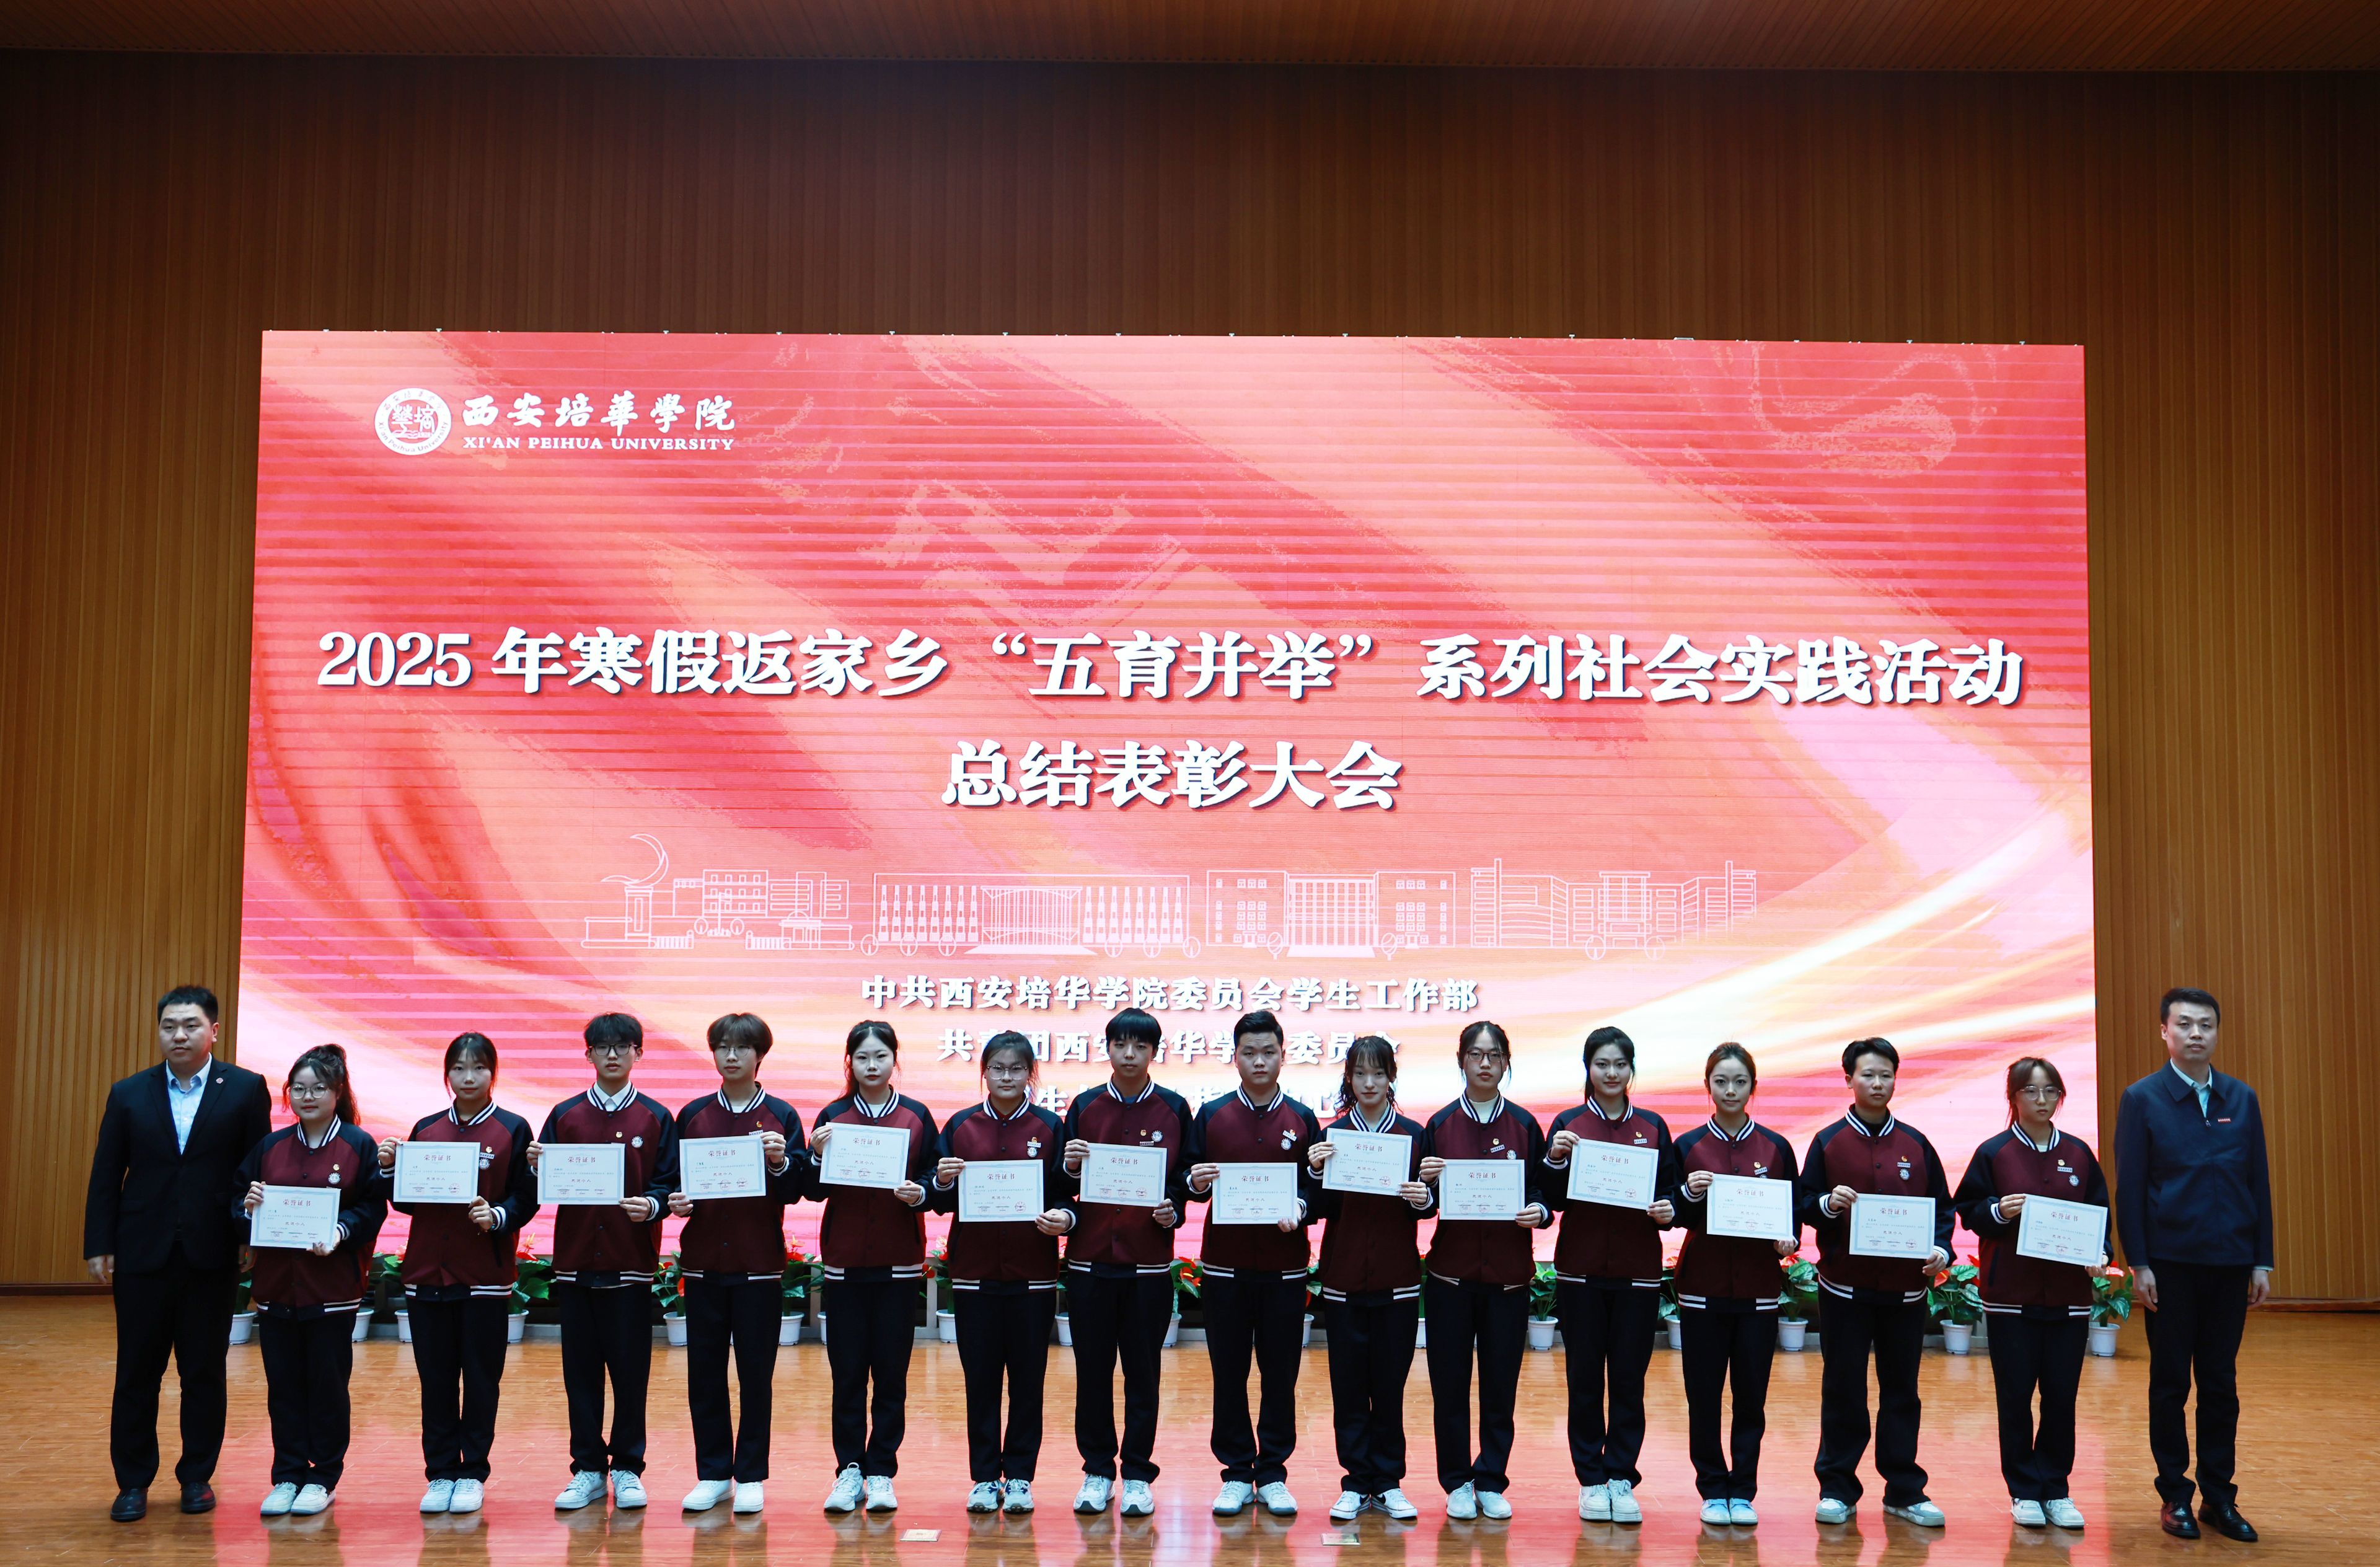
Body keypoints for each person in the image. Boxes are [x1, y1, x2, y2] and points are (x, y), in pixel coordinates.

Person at [84, 984, 273, 1522]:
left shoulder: (245, 1089)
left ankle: (196, 1477)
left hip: (212, 1252)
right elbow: (106, 1173)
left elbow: (256, 1169)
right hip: (141, 1252)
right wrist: (99, 1243)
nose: (179, 1035)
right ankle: (133, 1482)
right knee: (136, 1373)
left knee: (204, 1372)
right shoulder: (129, 1093)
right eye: (169, 1026)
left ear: (213, 1030)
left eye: (190, 1025)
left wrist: (251, 1234)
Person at [2114, 987, 2273, 1543]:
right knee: (2169, 1384)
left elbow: (2258, 1183)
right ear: (2165, 1031)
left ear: (2216, 1032)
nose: (2196, 1033)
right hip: (2171, 1266)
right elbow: (2130, 1189)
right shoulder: (2142, 1099)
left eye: (2206, 1024)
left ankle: (2219, 1497)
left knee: (2221, 1384)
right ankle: (2175, 1495)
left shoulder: (2241, 1098)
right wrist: (2139, 1263)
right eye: (2184, 1024)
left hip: (2230, 1263)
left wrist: (2261, 1260)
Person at [376, 1031, 537, 1516]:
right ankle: (441, 1471)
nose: (468, 1078)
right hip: (428, 1273)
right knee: (437, 1380)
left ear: (493, 1073)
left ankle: (472, 1473)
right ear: (447, 1074)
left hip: (483, 1274)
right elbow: (406, 1201)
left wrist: (498, 1217)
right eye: (459, 1068)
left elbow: (526, 1197)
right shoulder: (426, 1129)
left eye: (479, 1068)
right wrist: (390, 1168)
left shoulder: (513, 1129)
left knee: (482, 1379)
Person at [1795, 1036, 1953, 1528]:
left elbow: (1942, 1209)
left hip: (1905, 1293)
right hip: (1845, 1290)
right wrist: (1827, 1205)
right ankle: (1837, 1487)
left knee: (1902, 1391)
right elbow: (1804, 1204)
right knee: (1844, 1389)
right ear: (1849, 1079)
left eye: (1886, 1075)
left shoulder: (1916, 1144)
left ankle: (1904, 1490)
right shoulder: (1828, 1141)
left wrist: (1940, 1250)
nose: (1878, 1083)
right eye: (1868, 1074)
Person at [533, 1012, 679, 1513]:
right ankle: (588, 1469)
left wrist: (653, 1206)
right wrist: (535, 1166)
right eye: (602, 1047)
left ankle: (628, 1467)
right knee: (580, 1375)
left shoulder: (656, 1117)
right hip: (576, 1264)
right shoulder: (565, 1115)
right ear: (588, 1054)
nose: (612, 1055)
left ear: (639, 1053)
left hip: (630, 1263)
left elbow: (668, 1183)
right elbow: (538, 1185)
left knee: (631, 1373)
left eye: (622, 1046)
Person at [1954, 1056, 2107, 1532]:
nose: (2042, 1100)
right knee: (2016, 1395)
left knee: (2061, 1396)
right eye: (2031, 1091)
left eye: (2050, 1091)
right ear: (2013, 1097)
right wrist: (1998, 1210)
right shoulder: (1994, 1152)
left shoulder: (2079, 1153)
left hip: (2069, 1297)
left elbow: (2099, 1214)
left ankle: (2056, 1488)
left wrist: (2100, 1252)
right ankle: (2023, 1489)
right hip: (2010, 1297)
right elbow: (1968, 1209)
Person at [233, 1044, 387, 1518]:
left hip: (331, 1291)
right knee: (283, 1387)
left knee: (327, 1387)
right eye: (298, 1088)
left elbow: (372, 1209)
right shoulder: (271, 1147)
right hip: (277, 1289)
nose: (308, 1096)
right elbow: (237, 1204)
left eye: (319, 1088)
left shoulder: (358, 1145)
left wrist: (340, 1231)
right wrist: (248, 1207)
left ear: (338, 1092)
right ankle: (287, 1475)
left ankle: (322, 1477)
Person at [1182, 1009, 1323, 1519]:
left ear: (1284, 1055)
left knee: (1280, 1375)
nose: (1259, 1061)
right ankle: (1238, 1473)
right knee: (1229, 1373)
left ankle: (1274, 1473)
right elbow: (1187, 1179)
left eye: (1268, 1052)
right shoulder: (1212, 1115)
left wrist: (1301, 1206)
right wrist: (1196, 1182)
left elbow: (1317, 1188)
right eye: (1249, 1053)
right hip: (1226, 1268)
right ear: (1235, 1057)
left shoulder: (1303, 1119)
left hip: (1285, 1268)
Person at [1055, 1007, 1193, 1518]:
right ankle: (1097, 1471)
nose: (1130, 1054)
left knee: (1143, 1374)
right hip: (1090, 1263)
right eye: (1121, 1044)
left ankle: (1136, 1473)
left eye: (1141, 1046)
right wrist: (1070, 1167)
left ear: (1155, 1052)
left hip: (1148, 1267)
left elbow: (1184, 1179)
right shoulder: (1084, 1106)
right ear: (1108, 1048)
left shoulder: (1174, 1109)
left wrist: (1174, 1208)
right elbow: (1062, 1182)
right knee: (1092, 1373)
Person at [927, 1030, 1071, 1515]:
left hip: (1033, 1275)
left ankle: (1022, 1477)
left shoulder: (1050, 1126)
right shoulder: (961, 1126)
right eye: (997, 1068)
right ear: (984, 1072)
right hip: (975, 1274)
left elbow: (1065, 1193)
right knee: (981, 1381)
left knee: (1029, 1382)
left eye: (1016, 1069)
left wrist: (1064, 1217)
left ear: (1031, 1073)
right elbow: (939, 1196)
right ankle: (986, 1477)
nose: (1006, 1077)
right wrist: (941, 1180)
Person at [669, 1013, 806, 1516]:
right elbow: (674, 1181)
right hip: (704, 1264)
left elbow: (798, 1189)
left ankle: (749, 1475)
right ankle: (712, 1474)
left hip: (758, 1266)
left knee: (755, 1375)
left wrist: (779, 1162)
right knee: (704, 1375)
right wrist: (676, 1202)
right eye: (722, 1046)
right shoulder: (694, 1115)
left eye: (742, 1047)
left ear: (759, 1055)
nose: (731, 1056)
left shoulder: (782, 1116)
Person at [1543, 1025, 1680, 1525]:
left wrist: (1668, 1209)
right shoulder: (1569, 1124)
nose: (1611, 1073)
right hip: (1580, 1273)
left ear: (1631, 1070)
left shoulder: (1653, 1126)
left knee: (1627, 1379)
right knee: (1584, 1378)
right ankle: (1590, 1479)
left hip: (1637, 1274)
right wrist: (1556, 1159)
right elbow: (1551, 1199)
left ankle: (1621, 1475)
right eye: (1602, 1064)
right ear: (1588, 1069)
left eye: (1620, 1064)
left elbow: (1670, 1193)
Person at [1417, 1020, 1551, 1521]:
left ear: (1506, 1063)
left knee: (1500, 1387)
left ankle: (1491, 1479)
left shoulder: (1524, 1125)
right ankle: (1456, 1481)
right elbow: (1424, 1204)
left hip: (1508, 1280)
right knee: (1450, 1387)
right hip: (1450, 1278)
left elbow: (1542, 1192)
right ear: (1462, 1061)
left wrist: (1539, 1211)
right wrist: (1426, 1189)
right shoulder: (1439, 1126)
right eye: (1476, 1054)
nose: (1486, 1064)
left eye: (1495, 1055)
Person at [804, 1019, 937, 1514]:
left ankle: (881, 1470)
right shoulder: (834, 1116)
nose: (872, 1065)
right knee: (847, 1376)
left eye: (881, 1056)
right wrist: (816, 1155)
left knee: (891, 1375)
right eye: (862, 1057)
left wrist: (920, 1191)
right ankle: (849, 1470)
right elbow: (812, 1190)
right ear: (850, 1063)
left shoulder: (916, 1116)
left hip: (898, 1266)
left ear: (894, 1060)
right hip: (844, 1266)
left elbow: (934, 1178)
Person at [1669, 1042, 1800, 1527]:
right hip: (1701, 1288)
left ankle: (1742, 1490)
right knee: (1703, 1396)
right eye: (1721, 1082)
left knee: (1751, 1397)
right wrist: (1688, 1193)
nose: (1730, 1090)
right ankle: (1711, 1488)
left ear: (1753, 1087)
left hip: (1758, 1291)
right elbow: (1671, 1212)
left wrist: (1788, 1241)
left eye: (1740, 1082)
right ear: (1707, 1086)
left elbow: (1791, 1215)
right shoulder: (1687, 1146)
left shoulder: (1776, 1148)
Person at [1307, 1033, 1433, 1523]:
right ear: (1348, 1079)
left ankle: (1389, 1481)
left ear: (1391, 1078)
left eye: (1378, 1073)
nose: (1369, 1083)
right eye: (1360, 1074)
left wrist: (1423, 1198)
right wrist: (1315, 1172)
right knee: (1349, 1387)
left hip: (1397, 1280)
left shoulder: (1414, 1136)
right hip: (1343, 1279)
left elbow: (1427, 1207)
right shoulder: (1332, 1136)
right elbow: (1319, 1208)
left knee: (1390, 1386)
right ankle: (1357, 1482)